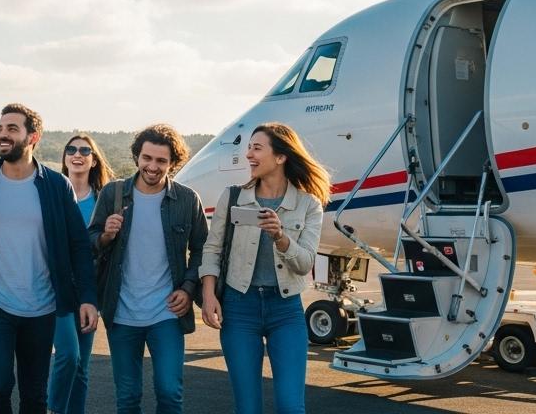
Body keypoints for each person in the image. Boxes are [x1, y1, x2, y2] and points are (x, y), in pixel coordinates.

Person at [0, 103, 98, 414]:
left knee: (34, 394)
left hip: (42, 304)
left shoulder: (56, 185)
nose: (3, 135)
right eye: (0, 129)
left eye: (12, 129)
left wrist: (87, 298)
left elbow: (78, 246)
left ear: (33, 137)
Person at [199, 123, 328, 414]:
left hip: (286, 310)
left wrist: (281, 237)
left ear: (281, 156)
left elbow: (306, 262)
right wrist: (208, 295)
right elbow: (213, 249)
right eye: (249, 148)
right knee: (247, 408)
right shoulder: (232, 197)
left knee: (291, 406)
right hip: (239, 308)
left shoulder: (308, 204)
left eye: (257, 148)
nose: (249, 155)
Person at [87, 123, 207, 414]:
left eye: (161, 161)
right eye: (147, 158)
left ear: (173, 163)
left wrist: (188, 289)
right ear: (137, 157)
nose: (152, 166)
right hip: (122, 312)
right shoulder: (113, 194)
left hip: (166, 313)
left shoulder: (187, 200)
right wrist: (106, 235)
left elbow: (204, 250)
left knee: (169, 393)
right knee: (128, 398)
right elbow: (89, 242)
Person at [48, 133, 113, 414]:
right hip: (57, 288)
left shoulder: (104, 200)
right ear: (64, 157)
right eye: (71, 149)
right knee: (68, 355)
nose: (78, 154)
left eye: (85, 150)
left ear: (94, 160)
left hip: (91, 290)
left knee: (82, 367)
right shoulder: (53, 195)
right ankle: (54, 409)